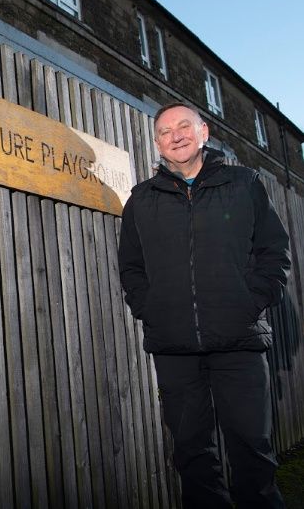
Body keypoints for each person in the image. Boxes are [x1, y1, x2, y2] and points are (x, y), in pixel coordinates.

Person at [118, 102, 290, 508]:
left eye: (184, 126)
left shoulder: (243, 182)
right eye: (165, 131)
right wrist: (150, 309)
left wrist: (250, 301)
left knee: (252, 450)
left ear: (204, 133)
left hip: (239, 342)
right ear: (157, 143)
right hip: (174, 347)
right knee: (192, 454)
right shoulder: (141, 199)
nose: (175, 135)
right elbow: (131, 268)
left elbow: (274, 252)